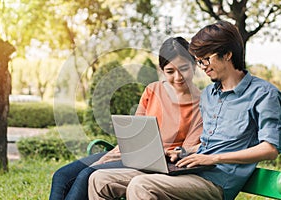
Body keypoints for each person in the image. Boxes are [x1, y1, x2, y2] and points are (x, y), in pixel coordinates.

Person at [88, 20, 281, 200]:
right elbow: (208, 143)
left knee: (142, 185)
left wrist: (212, 158)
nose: (203, 67)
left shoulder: (264, 94)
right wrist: (182, 152)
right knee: (99, 179)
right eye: (199, 61)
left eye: (206, 59)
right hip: (191, 169)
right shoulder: (209, 95)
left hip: (218, 180)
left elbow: (270, 149)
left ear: (227, 54)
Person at [49, 36, 203, 200]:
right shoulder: (153, 90)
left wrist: (167, 151)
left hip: (161, 163)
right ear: (162, 70)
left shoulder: (202, 103)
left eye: (184, 68)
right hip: (130, 153)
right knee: (61, 176)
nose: (178, 77)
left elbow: (186, 151)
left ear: (194, 65)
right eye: (170, 71)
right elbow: (136, 128)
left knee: (87, 174)